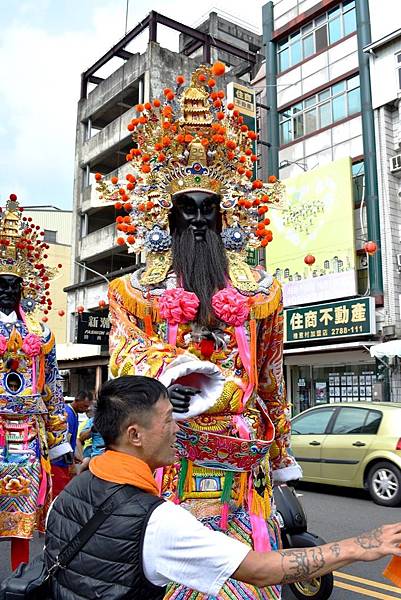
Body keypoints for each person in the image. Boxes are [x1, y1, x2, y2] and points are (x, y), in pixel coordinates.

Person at [98, 64, 300, 597]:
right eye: (184, 209)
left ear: (225, 214)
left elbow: (273, 378)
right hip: (168, 460)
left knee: (249, 577)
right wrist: (192, 374)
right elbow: (122, 367)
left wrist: (279, 454)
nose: (196, 220)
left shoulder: (260, 292)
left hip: (242, 459)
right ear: (164, 217)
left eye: (208, 209)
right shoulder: (133, 293)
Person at [44, 375, 401, 599]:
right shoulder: (158, 521)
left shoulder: (68, 495)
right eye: (169, 420)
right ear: (134, 434)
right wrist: (362, 545)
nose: (177, 430)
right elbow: (261, 571)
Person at [0, 193, 71, 570]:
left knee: (23, 518)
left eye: (14, 286)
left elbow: (53, 388)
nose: (7, 292)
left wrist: (60, 441)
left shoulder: (41, 335)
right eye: (1, 285)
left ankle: (19, 575)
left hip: (28, 433)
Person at [51, 391, 93, 495]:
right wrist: (72, 463)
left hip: (65, 459)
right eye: (84, 405)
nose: (86, 409)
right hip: (60, 460)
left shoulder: (74, 413)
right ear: (77, 401)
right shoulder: (68, 414)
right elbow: (66, 440)